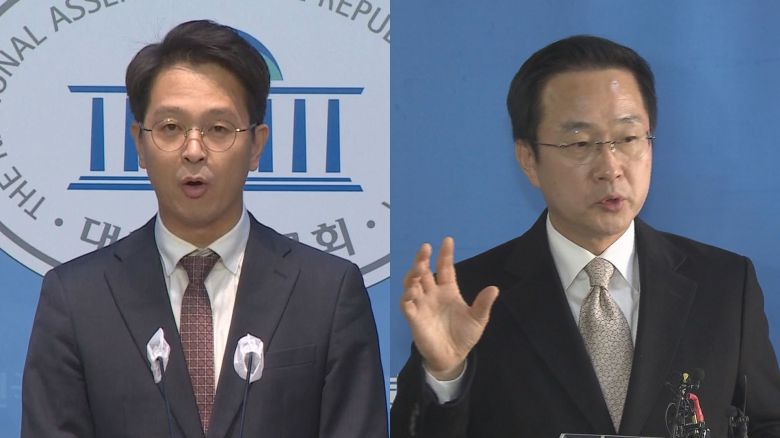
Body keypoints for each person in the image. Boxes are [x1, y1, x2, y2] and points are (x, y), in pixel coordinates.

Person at [391, 35, 780, 437]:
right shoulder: (470, 297)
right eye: (580, 143)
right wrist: (445, 375)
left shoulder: (725, 285)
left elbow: (767, 423)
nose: (610, 168)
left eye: (628, 139)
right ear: (529, 159)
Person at [22, 20, 387, 438]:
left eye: (218, 129)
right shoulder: (76, 299)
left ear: (257, 146)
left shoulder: (327, 292)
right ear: (139, 144)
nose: (193, 151)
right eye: (170, 128)